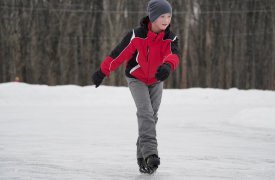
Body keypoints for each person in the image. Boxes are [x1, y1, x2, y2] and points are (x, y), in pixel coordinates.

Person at [92, 0, 179, 174]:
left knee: (152, 116)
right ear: (153, 16)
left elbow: (173, 55)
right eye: (162, 16)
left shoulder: (170, 38)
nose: (166, 20)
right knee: (145, 112)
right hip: (136, 79)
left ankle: (141, 156)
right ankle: (151, 154)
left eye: (169, 16)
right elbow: (118, 54)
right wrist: (102, 71)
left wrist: (167, 66)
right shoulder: (136, 35)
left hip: (155, 80)